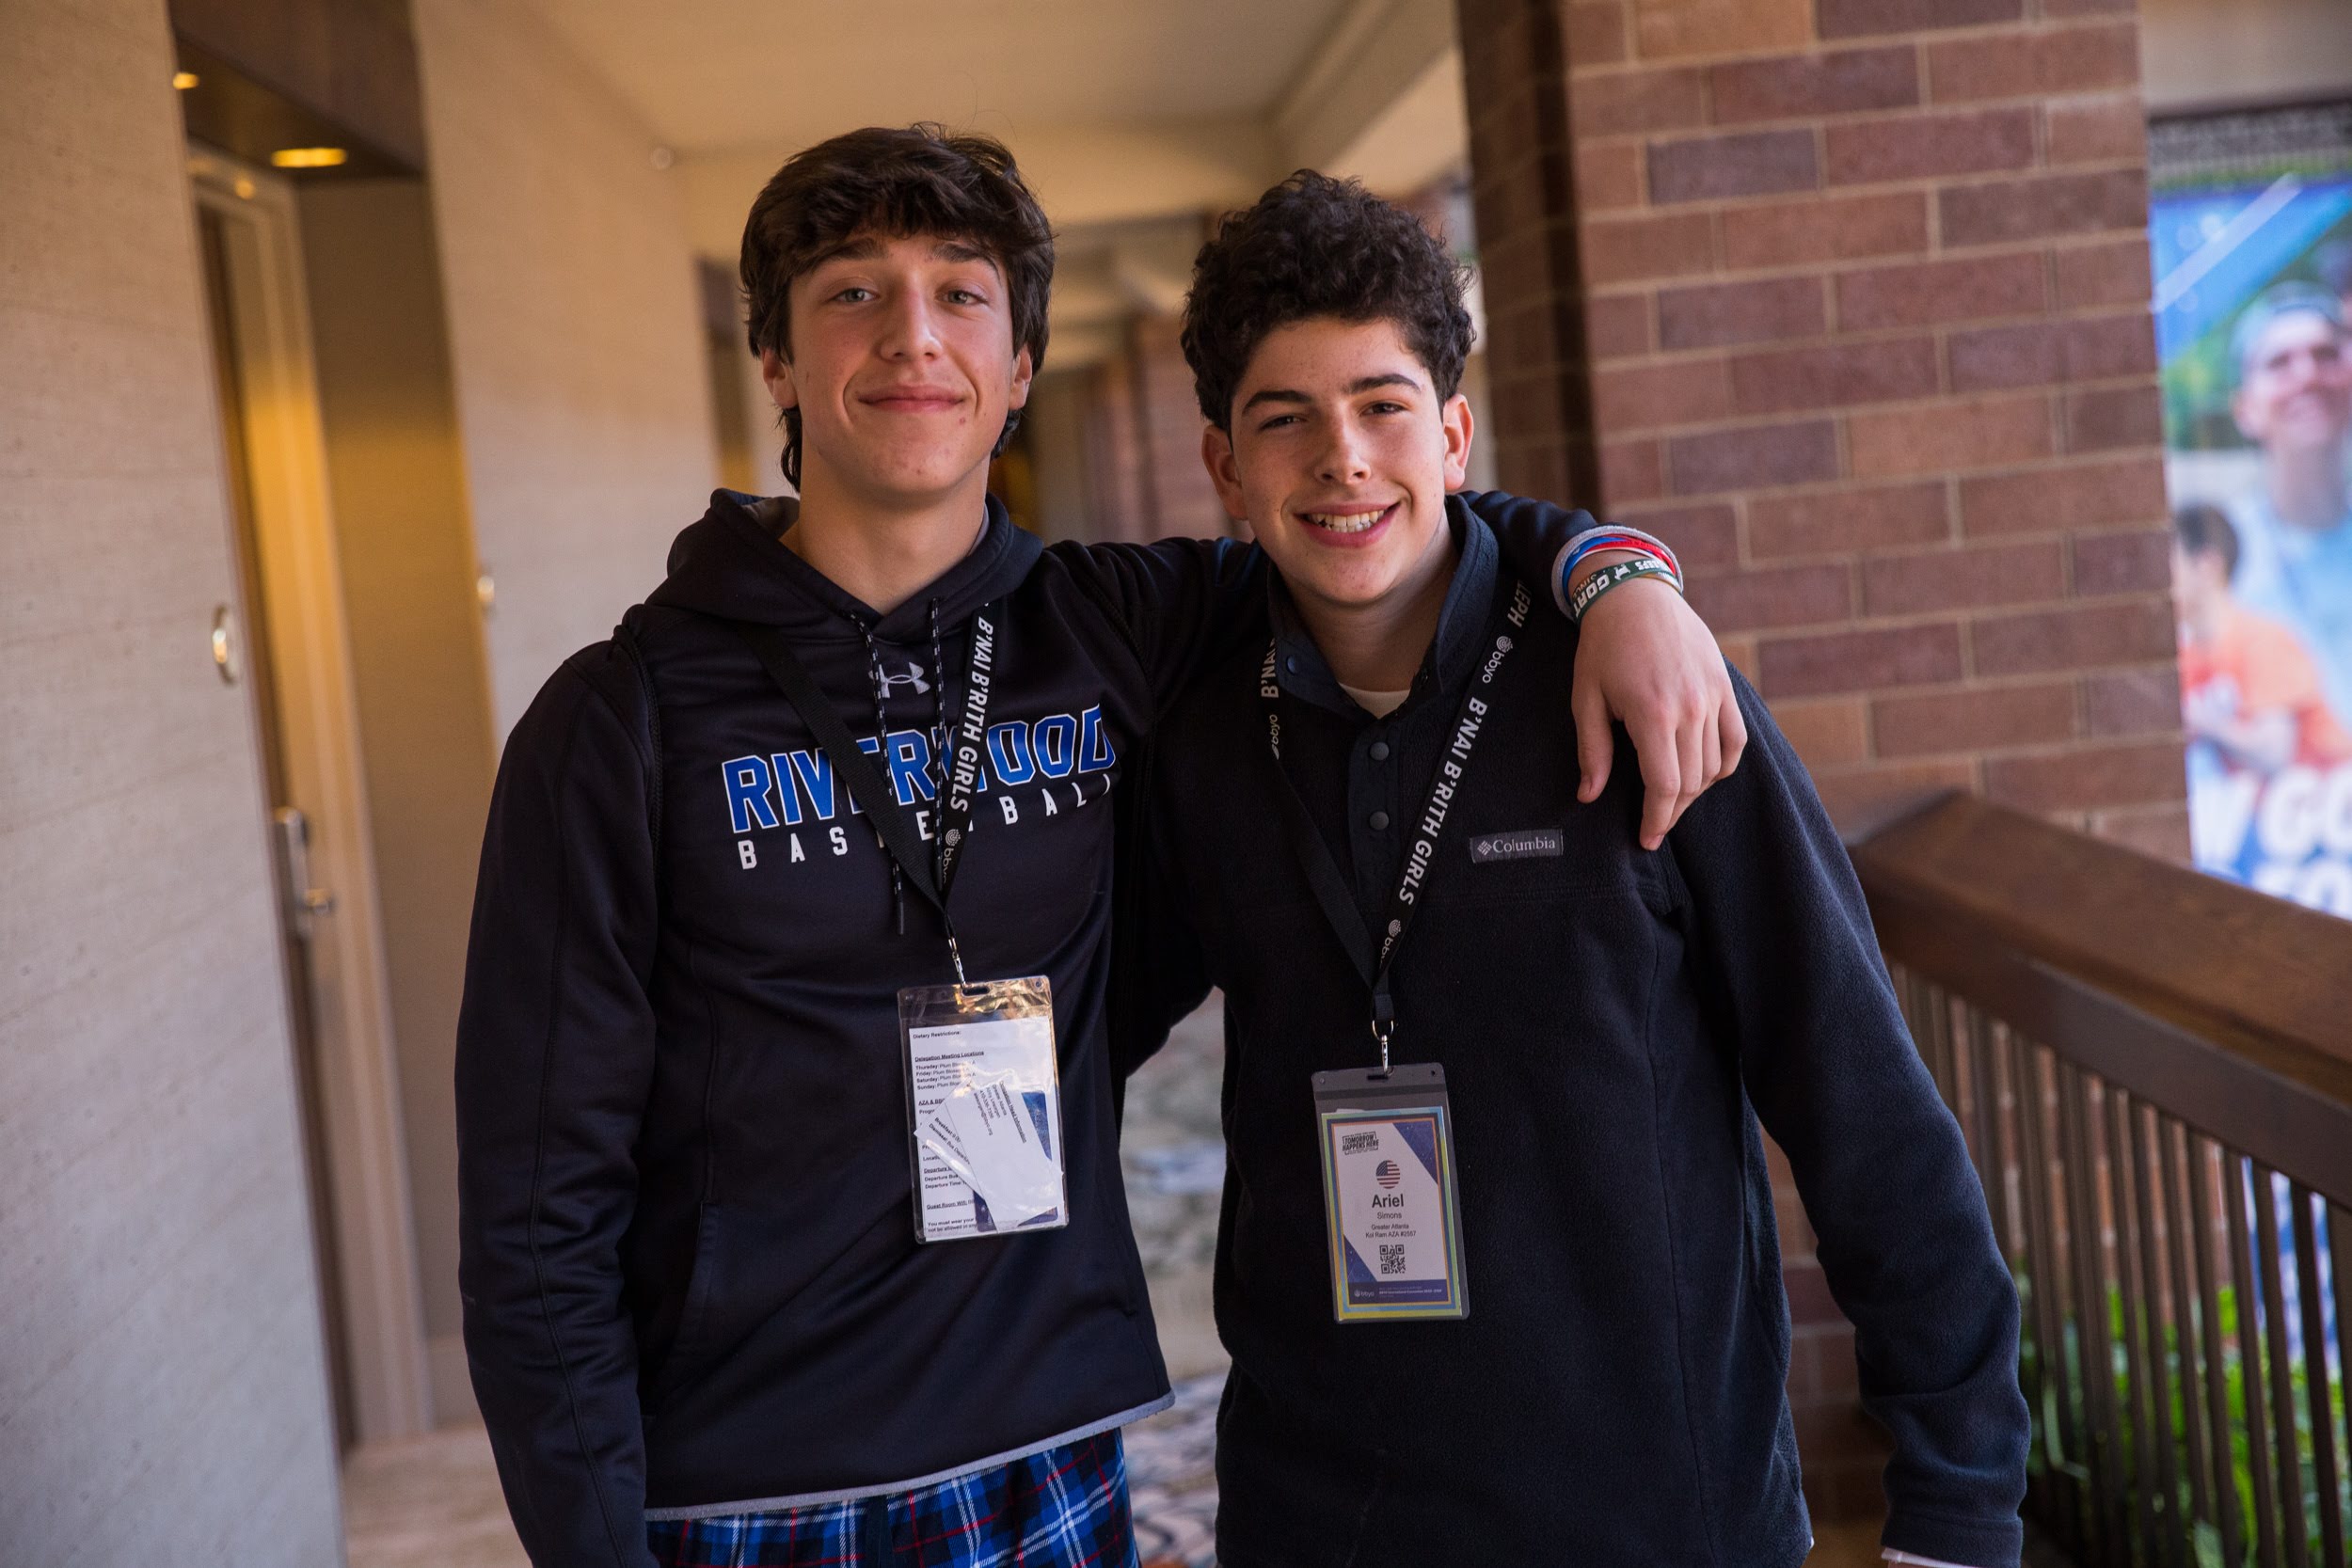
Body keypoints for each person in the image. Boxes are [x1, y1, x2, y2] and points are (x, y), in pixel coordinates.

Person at [454, 126, 1743, 1568]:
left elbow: (1369, 503)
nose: (912, 338)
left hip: (1050, 1448)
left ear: (1017, 370)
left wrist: (1614, 572)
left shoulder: (1118, 628)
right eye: (853, 293)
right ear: (775, 360)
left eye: (960, 293)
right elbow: (534, 1206)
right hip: (755, 1482)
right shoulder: (618, 718)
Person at [1116, 172, 2029, 1568]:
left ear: (1455, 432)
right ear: (1224, 468)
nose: (1342, 459)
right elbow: (1089, 1014)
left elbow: (1860, 1100)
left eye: (1382, 406)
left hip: (1658, 1512)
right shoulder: (1200, 728)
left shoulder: (1647, 691)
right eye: (1283, 419)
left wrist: (1959, 1507)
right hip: (1322, 1512)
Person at [2223, 286, 2352, 733]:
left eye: (2326, 355)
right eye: (2279, 363)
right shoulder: (2222, 557)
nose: (2308, 375)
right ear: (2246, 410)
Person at [2173, 500, 2351, 777]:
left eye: (2167, 564)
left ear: (2206, 565)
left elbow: (2274, 753)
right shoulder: (2185, 658)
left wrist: (2207, 725)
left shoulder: (2262, 639)